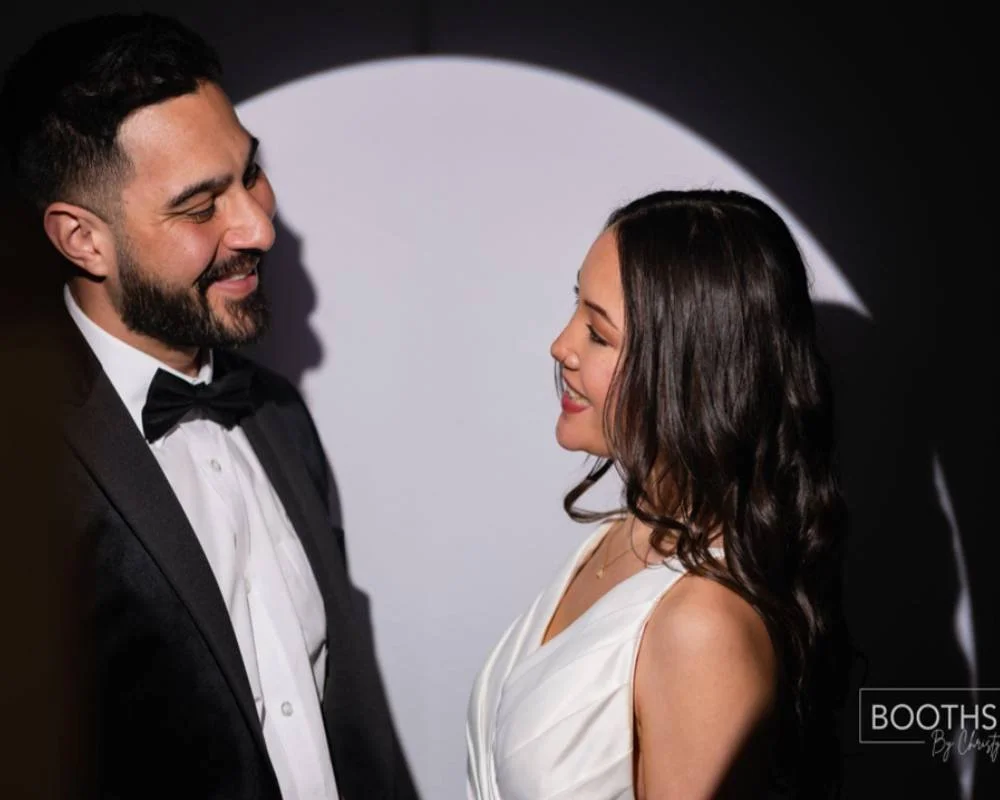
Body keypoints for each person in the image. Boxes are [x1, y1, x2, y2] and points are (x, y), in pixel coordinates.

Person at [0, 13, 416, 800]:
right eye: (199, 207)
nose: (258, 226)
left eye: (250, 173)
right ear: (83, 240)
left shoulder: (279, 415)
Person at [466, 189, 848, 799]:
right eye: (575, 309)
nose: (561, 346)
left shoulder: (701, 629)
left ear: (691, 371)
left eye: (598, 333)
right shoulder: (621, 534)